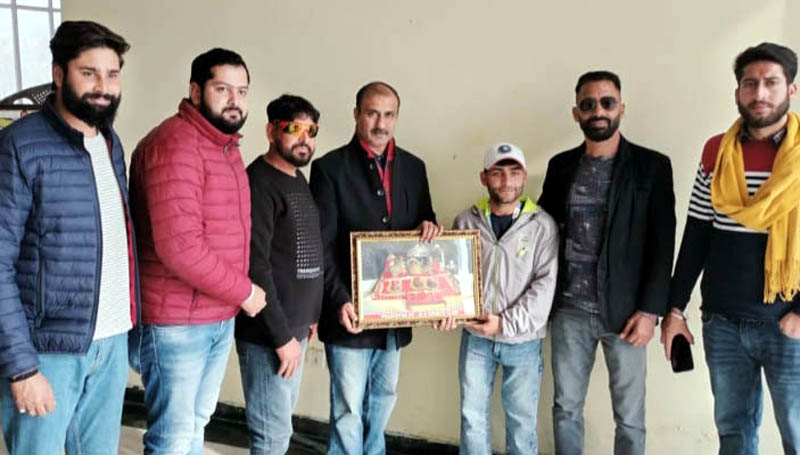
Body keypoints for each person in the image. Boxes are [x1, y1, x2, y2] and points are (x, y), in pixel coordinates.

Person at [0, 21, 137, 454]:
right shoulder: (18, 145)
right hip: (47, 352)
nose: (103, 87)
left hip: (111, 343)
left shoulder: (110, 143)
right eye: (89, 73)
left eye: (112, 74)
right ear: (59, 74)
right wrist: (22, 367)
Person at [663, 42, 800, 454]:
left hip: (788, 323)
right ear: (737, 92)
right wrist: (674, 310)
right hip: (723, 324)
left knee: (796, 434)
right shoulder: (717, 151)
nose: (760, 93)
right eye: (750, 83)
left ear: (791, 90)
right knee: (734, 435)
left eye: (771, 82)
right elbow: (697, 234)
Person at [129, 48, 266, 454]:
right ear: (195, 91)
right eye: (223, 89)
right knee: (172, 437)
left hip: (215, 314)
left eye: (242, 91)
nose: (235, 100)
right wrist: (244, 291)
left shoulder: (223, 147)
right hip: (177, 323)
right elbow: (180, 248)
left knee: (194, 427)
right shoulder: (175, 145)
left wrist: (234, 298)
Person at [538, 70, 676, 455]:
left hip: (627, 314)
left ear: (621, 108)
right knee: (565, 408)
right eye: (588, 104)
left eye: (607, 102)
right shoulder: (561, 166)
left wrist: (650, 312)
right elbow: (541, 231)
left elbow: (662, 244)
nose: (598, 111)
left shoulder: (652, 167)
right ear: (576, 113)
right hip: (569, 310)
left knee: (629, 417)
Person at [309, 81, 441, 455]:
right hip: (349, 311)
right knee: (348, 409)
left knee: (383, 398)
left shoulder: (414, 168)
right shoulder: (329, 169)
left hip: (395, 315)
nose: (380, 123)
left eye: (388, 114)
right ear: (356, 115)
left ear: (397, 118)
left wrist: (429, 227)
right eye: (372, 113)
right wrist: (339, 299)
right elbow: (322, 245)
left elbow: (425, 221)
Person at [452, 143, 558, 454]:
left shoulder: (542, 226)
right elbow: (453, 278)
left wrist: (503, 323)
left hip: (524, 342)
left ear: (524, 176)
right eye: (497, 173)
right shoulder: (466, 221)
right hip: (476, 339)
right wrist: (447, 310)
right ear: (484, 177)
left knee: (522, 424)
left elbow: (544, 288)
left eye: (514, 173)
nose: (507, 181)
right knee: (471, 419)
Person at [234, 94, 324, 455]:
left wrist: (311, 315)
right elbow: (256, 265)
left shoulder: (297, 180)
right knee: (271, 437)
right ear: (271, 131)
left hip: (294, 330)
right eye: (293, 128)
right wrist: (282, 337)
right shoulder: (259, 183)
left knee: (280, 431)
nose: (304, 138)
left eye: (311, 131)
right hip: (269, 336)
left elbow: (299, 252)